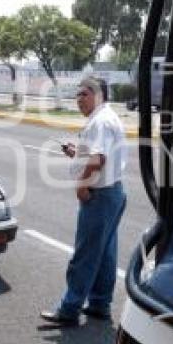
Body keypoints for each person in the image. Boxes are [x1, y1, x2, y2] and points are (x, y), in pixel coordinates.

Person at [41, 77, 127, 326]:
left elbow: (97, 159)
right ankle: (100, 303)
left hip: (100, 196)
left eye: (84, 94)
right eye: (77, 95)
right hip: (113, 193)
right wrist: (75, 153)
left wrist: (82, 186)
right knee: (105, 253)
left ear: (98, 95)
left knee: (86, 254)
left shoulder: (100, 121)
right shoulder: (106, 117)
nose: (79, 99)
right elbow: (94, 155)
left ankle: (69, 308)